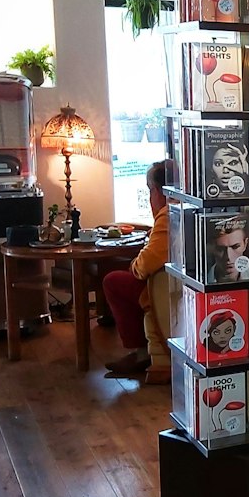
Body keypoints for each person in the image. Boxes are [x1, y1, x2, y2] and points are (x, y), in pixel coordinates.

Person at [102, 160, 170, 380]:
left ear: (160, 191)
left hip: (165, 288)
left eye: (151, 191)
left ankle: (140, 352)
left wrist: (135, 266)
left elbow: (146, 264)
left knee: (114, 281)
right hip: (170, 281)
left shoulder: (168, 216)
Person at [206, 217, 249, 283]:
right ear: (212, 248)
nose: (228, 257)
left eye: (235, 246)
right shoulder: (201, 279)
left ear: (245, 244)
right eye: (221, 249)